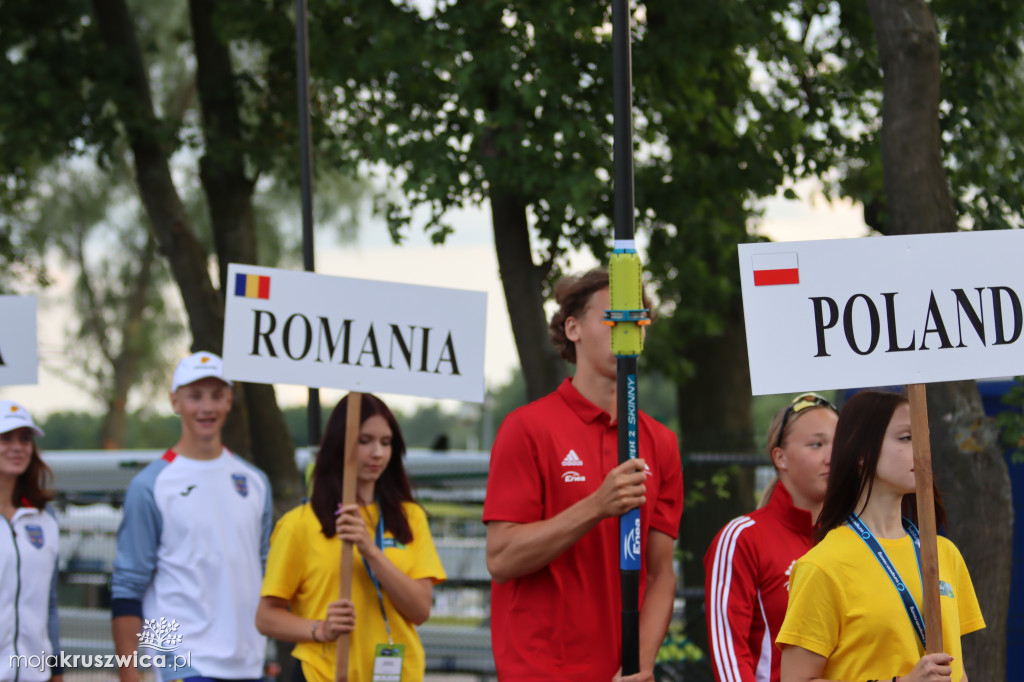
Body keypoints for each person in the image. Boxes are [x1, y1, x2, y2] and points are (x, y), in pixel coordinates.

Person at [483, 268, 684, 682]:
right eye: (612, 318)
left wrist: (639, 666)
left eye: (637, 320)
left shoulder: (661, 442)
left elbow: (661, 573)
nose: (626, 331)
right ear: (572, 328)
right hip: (538, 670)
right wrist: (596, 506)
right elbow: (501, 558)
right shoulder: (527, 428)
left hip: (619, 673)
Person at [777, 390, 985, 682]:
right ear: (861, 453)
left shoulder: (943, 553)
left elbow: (956, 668)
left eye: (923, 436)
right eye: (905, 437)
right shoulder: (822, 566)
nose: (922, 447)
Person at [256, 392, 446, 682]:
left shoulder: (410, 517)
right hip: (323, 674)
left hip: (399, 674)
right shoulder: (299, 524)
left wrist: (370, 551)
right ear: (339, 445)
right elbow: (266, 617)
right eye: (365, 440)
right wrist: (320, 629)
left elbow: (420, 610)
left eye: (386, 442)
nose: (378, 453)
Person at [111, 351, 272, 682]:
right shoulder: (150, 485)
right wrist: (129, 672)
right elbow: (128, 585)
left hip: (248, 661)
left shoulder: (255, 481)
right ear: (175, 401)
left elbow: (266, 569)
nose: (207, 407)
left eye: (216, 395)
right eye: (195, 396)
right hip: (180, 663)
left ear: (229, 401)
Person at [703, 393, 839, 682]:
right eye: (816, 444)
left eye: (838, 445)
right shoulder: (742, 538)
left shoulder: (855, 537)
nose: (832, 457)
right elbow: (729, 657)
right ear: (780, 457)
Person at [0, 401, 62, 682]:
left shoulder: (44, 518)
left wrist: (56, 668)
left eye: (25, 439)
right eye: (5, 438)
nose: (17, 447)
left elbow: (48, 604)